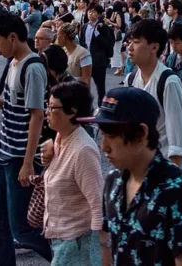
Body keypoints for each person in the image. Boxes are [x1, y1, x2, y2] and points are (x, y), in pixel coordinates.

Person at [80, 87, 182, 266]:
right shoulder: (113, 180)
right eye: (102, 134)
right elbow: (106, 238)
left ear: (142, 134)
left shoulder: (176, 189)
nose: (103, 146)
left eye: (111, 136)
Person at [0, 12, 51, 265]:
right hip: (3, 155)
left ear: (12, 37)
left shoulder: (33, 67)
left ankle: (67, 260)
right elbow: (12, 105)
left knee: (22, 229)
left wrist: (28, 163)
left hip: (18, 159)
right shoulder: (13, 63)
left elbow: (37, 115)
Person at [125, 20, 182, 191]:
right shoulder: (131, 78)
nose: (130, 47)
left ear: (154, 47)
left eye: (136, 42)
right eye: (130, 42)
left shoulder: (168, 82)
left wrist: (172, 187)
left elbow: (177, 140)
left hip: (162, 166)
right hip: (141, 165)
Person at [40, 81, 104, 266]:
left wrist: (98, 251)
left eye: (52, 107)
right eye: (47, 105)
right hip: (61, 237)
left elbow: (97, 202)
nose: (47, 111)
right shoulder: (61, 137)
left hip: (76, 242)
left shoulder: (82, 150)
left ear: (72, 111)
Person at [80, 5, 115, 101]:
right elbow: (82, 41)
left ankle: (101, 105)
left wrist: (97, 33)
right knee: (84, 85)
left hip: (98, 60)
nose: (90, 14)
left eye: (93, 12)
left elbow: (105, 43)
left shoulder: (103, 27)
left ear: (99, 14)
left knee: (100, 86)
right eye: (89, 12)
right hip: (85, 59)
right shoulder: (84, 26)